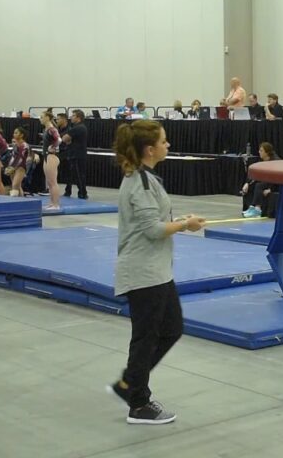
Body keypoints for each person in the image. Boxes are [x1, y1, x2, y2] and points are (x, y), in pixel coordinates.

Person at [107, 120, 206, 425]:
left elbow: (156, 219)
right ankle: (138, 403)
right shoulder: (140, 182)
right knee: (146, 337)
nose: (168, 145)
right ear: (150, 149)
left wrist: (181, 219)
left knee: (171, 328)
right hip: (143, 272)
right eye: (164, 142)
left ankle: (130, 382)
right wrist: (185, 226)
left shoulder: (147, 178)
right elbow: (152, 230)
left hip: (158, 271)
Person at [240, 142, 279, 218]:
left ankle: (257, 208)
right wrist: (247, 183)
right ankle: (251, 207)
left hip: (274, 184)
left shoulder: (275, 162)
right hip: (267, 181)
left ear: (267, 152)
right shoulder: (262, 160)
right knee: (251, 186)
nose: (259, 152)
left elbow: (278, 178)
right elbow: (255, 173)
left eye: (261, 151)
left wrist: (270, 190)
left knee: (259, 185)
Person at [61, 110, 89, 199]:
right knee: (71, 175)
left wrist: (68, 140)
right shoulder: (78, 127)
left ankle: (83, 193)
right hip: (75, 153)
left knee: (79, 175)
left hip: (77, 155)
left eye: (73, 116)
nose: (71, 117)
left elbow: (64, 139)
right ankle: (68, 191)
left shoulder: (78, 128)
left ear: (78, 118)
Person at [40, 111, 62, 210]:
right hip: (46, 156)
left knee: (53, 182)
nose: (40, 119)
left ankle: (56, 204)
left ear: (47, 118)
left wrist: (53, 146)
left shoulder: (52, 129)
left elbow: (59, 140)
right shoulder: (46, 129)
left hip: (52, 156)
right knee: (49, 182)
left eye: (42, 117)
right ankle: (51, 203)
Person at [6, 128, 30, 196]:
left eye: (16, 133)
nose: (14, 134)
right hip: (13, 167)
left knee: (15, 186)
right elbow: (13, 157)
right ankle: (21, 202)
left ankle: (13, 204)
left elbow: (21, 158)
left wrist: (13, 167)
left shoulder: (25, 145)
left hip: (21, 167)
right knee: (18, 187)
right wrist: (9, 166)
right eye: (14, 133)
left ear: (21, 135)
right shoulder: (15, 144)